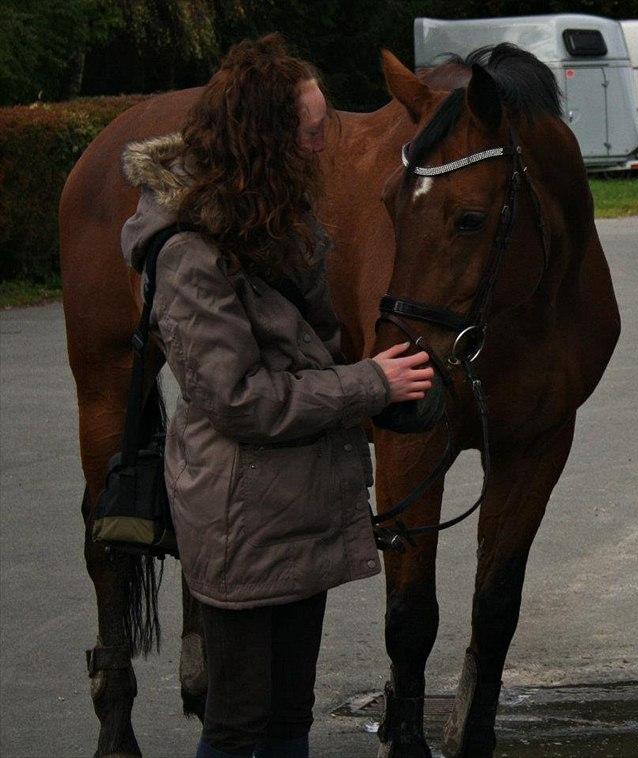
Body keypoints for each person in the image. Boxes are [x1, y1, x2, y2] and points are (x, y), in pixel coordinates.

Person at [119, 34, 433, 758]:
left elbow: (309, 352)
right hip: (240, 516)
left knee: (291, 716)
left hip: (297, 506)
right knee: (238, 724)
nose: (326, 147)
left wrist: (380, 381)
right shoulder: (188, 252)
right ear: (268, 139)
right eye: (315, 132)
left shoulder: (278, 221)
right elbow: (240, 401)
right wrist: (369, 383)